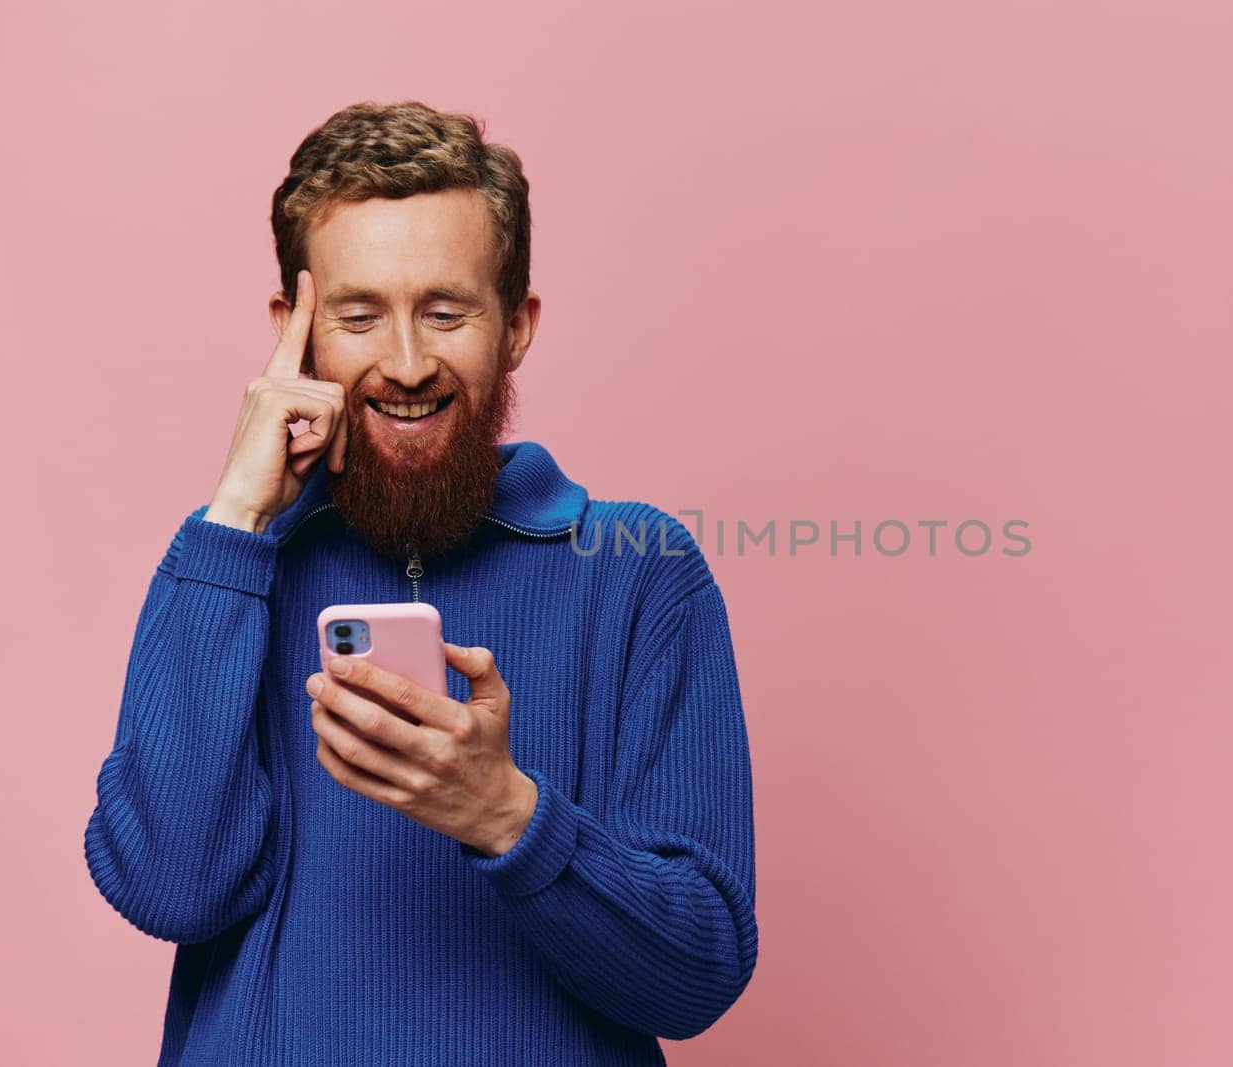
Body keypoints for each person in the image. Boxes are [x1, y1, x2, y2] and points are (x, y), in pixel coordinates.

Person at [82, 100, 757, 1066]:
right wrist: (234, 521)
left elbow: (697, 975)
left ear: (516, 328)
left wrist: (504, 814)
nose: (405, 363)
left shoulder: (640, 573)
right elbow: (165, 887)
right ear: (294, 335)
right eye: (359, 316)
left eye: (447, 312)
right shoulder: (227, 571)